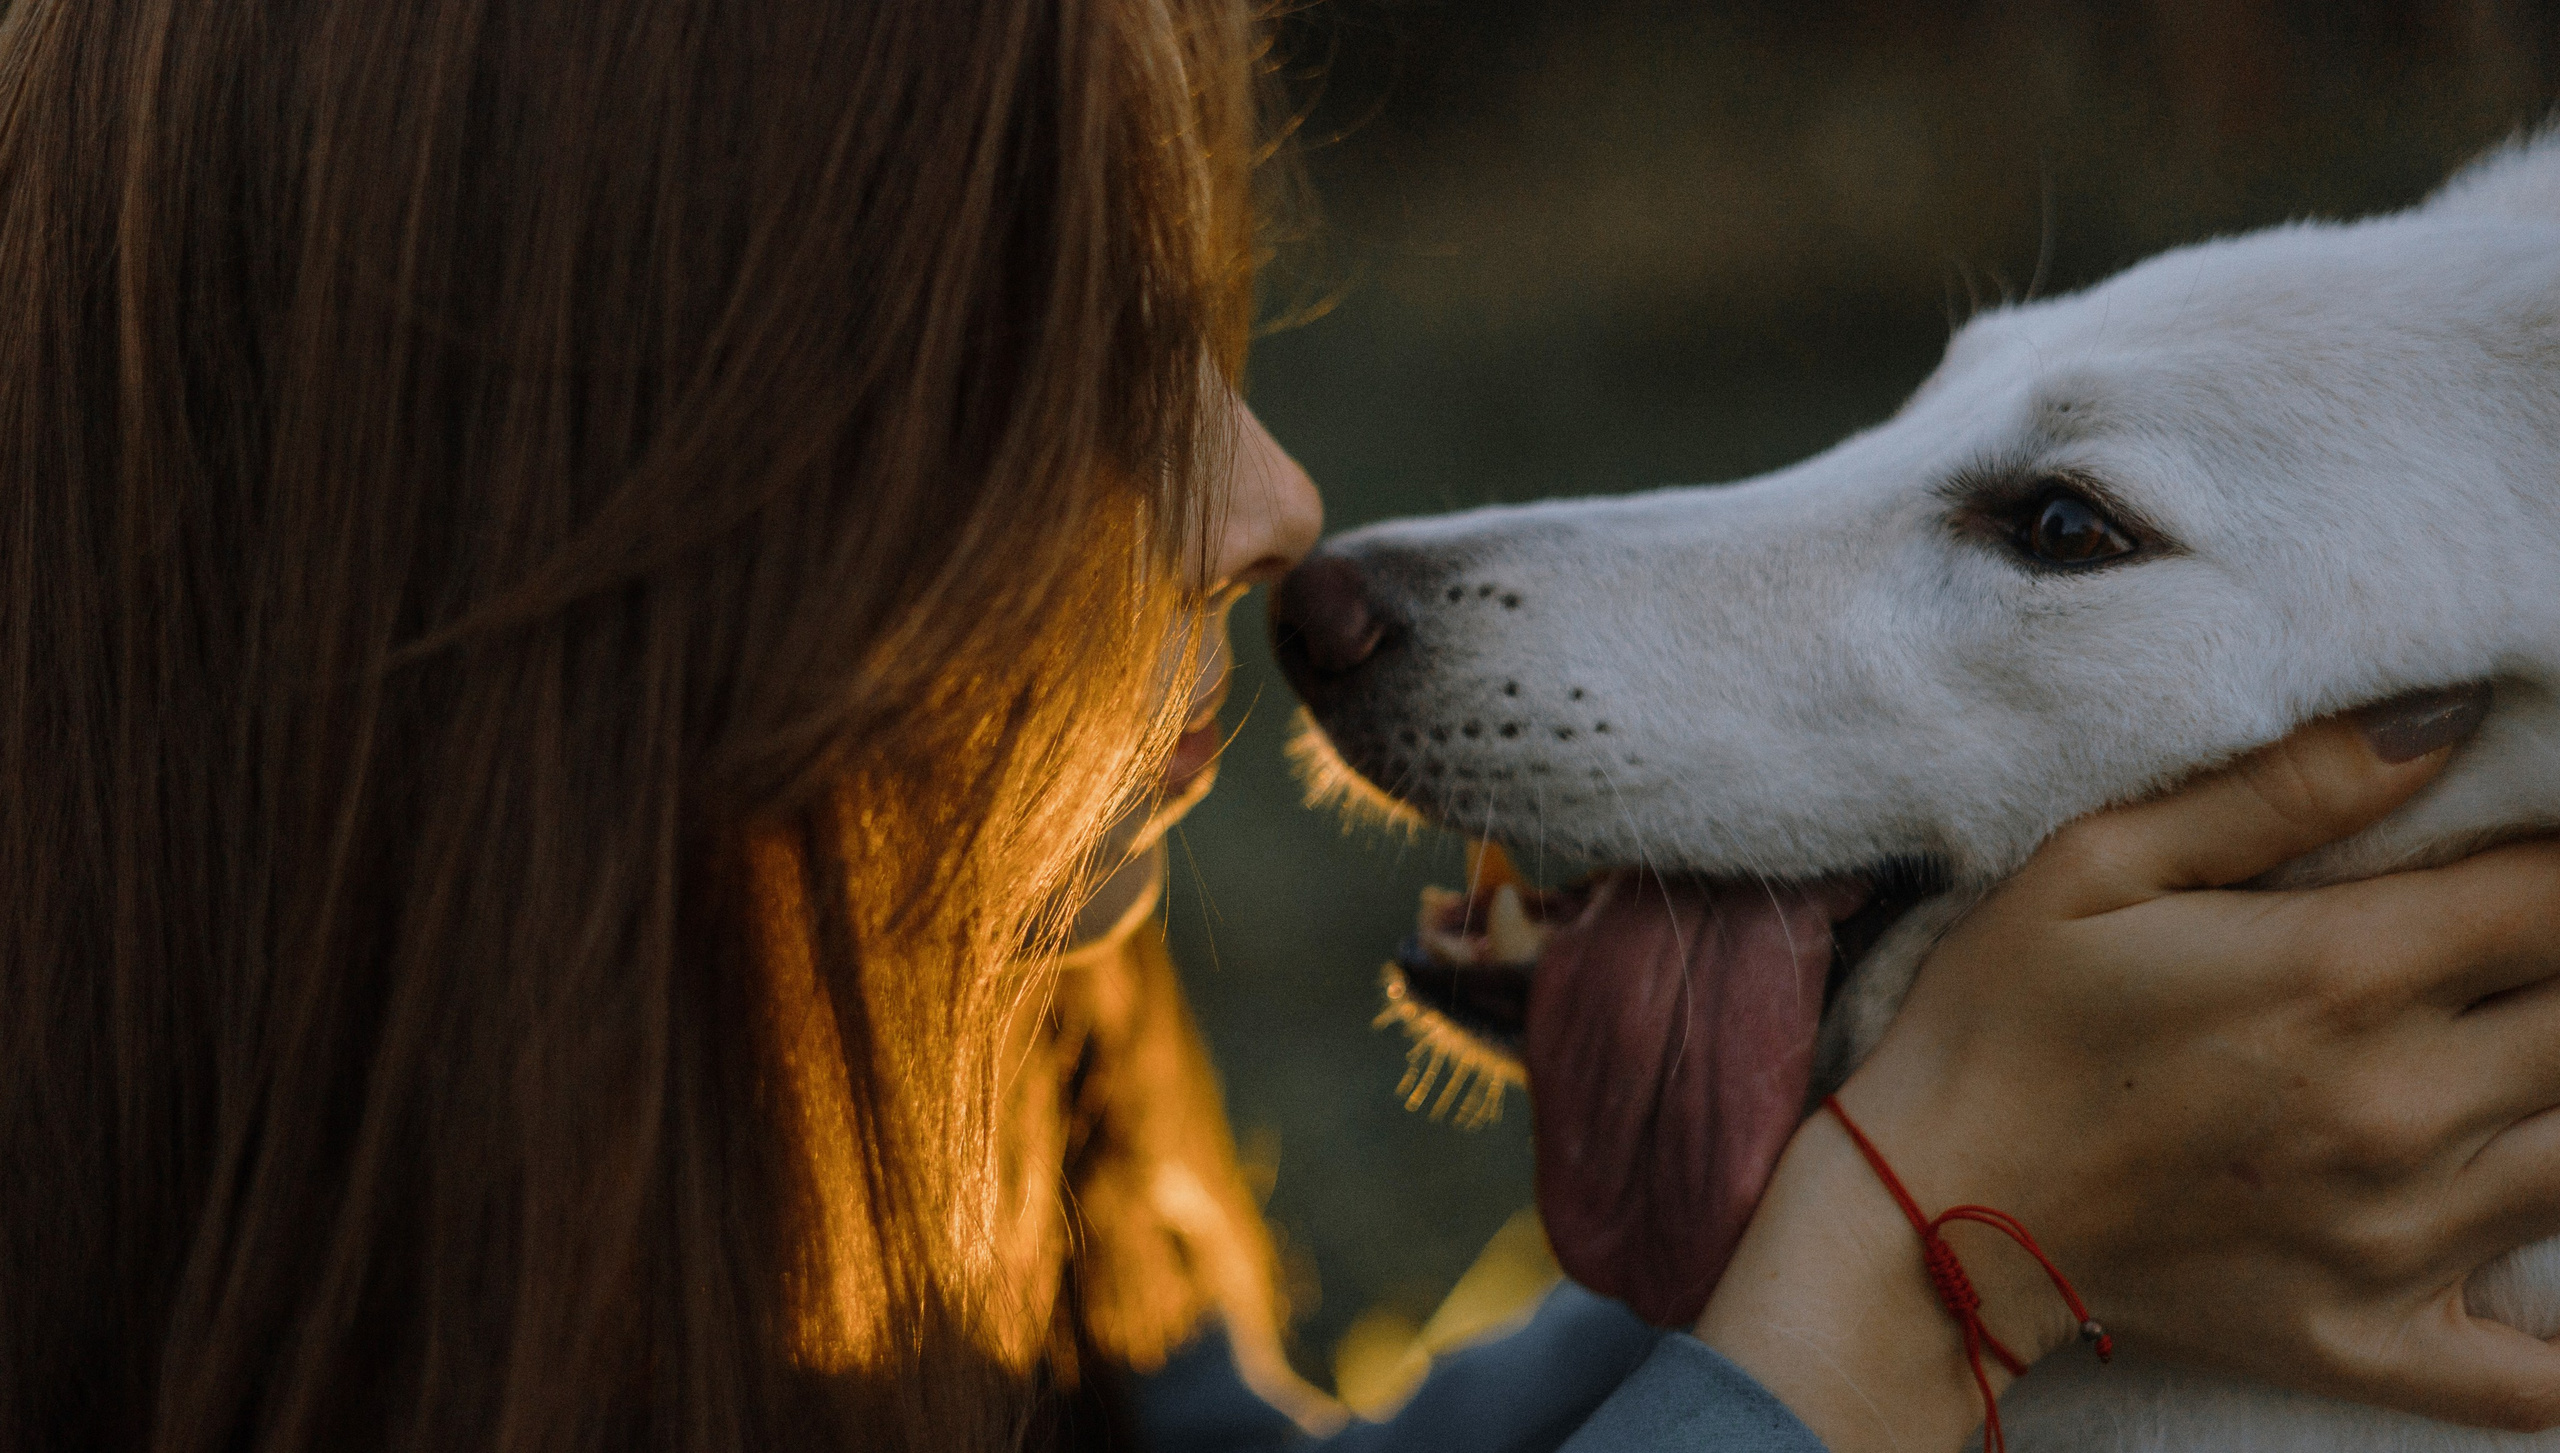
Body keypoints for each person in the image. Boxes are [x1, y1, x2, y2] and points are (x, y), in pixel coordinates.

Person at [3, 4, 2557, 1453]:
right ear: (608, 530)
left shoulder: (939, 1162)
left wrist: (1941, 1168)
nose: (1269, 508)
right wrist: (1923, 1273)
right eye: (1061, 380)